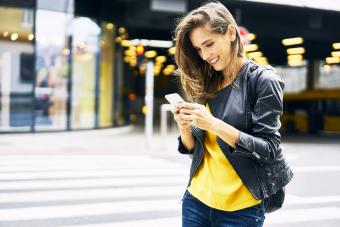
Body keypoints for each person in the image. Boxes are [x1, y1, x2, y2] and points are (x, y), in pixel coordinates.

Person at [171, 1, 293, 227]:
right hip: (196, 200)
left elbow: (268, 149)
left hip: (241, 209)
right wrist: (184, 125)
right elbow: (194, 152)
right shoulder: (207, 80)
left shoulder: (264, 81)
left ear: (229, 32)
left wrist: (213, 124)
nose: (205, 55)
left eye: (209, 44)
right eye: (198, 49)